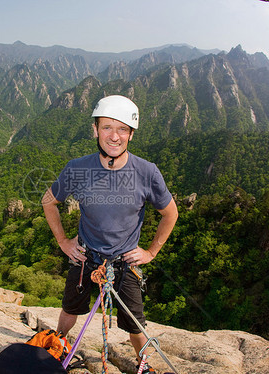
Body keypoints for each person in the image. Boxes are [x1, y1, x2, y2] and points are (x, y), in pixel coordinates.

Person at [42, 95, 178, 374]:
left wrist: (151, 252)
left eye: (122, 129)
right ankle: (58, 345)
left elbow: (170, 213)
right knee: (70, 308)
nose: (114, 136)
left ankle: (144, 365)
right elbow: (48, 201)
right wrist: (63, 242)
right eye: (107, 127)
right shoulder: (78, 168)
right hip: (85, 255)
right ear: (95, 130)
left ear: (131, 134)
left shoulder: (147, 172)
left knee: (134, 322)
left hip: (125, 262)